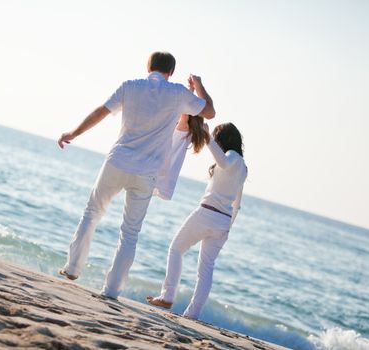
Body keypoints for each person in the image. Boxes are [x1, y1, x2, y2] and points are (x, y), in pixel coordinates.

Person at [57, 52, 215, 300]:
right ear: (171, 72)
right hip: (146, 173)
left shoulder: (130, 87)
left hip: (118, 161)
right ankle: (111, 290)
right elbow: (209, 113)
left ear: (148, 66)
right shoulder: (177, 94)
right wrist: (199, 86)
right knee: (129, 233)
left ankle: (73, 268)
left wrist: (74, 133)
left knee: (92, 212)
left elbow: (101, 111)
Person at [147, 122, 247, 320]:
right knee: (206, 268)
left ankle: (167, 296)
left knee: (176, 248)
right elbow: (238, 203)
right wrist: (229, 227)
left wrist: (207, 135)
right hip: (224, 221)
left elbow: (224, 162)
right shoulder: (243, 167)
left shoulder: (231, 158)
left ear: (223, 140)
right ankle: (192, 313)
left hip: (208, 213)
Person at [153, 113, 210, 201]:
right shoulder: (190, 133)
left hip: (157, 171)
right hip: (165, 174)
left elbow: (185, 112)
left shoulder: (183, 127)